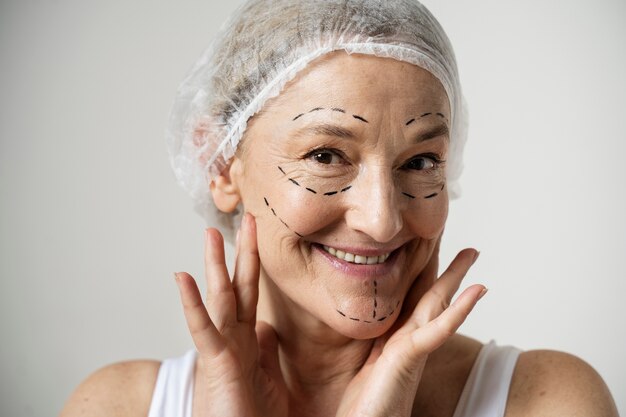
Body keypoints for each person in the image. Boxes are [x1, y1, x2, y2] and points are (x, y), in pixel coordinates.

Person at [60, 1, 619, 416]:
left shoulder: (546, 400)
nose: (382, 220)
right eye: (326, 155)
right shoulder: (115, 405)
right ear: (220, 165)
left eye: (421, 162)